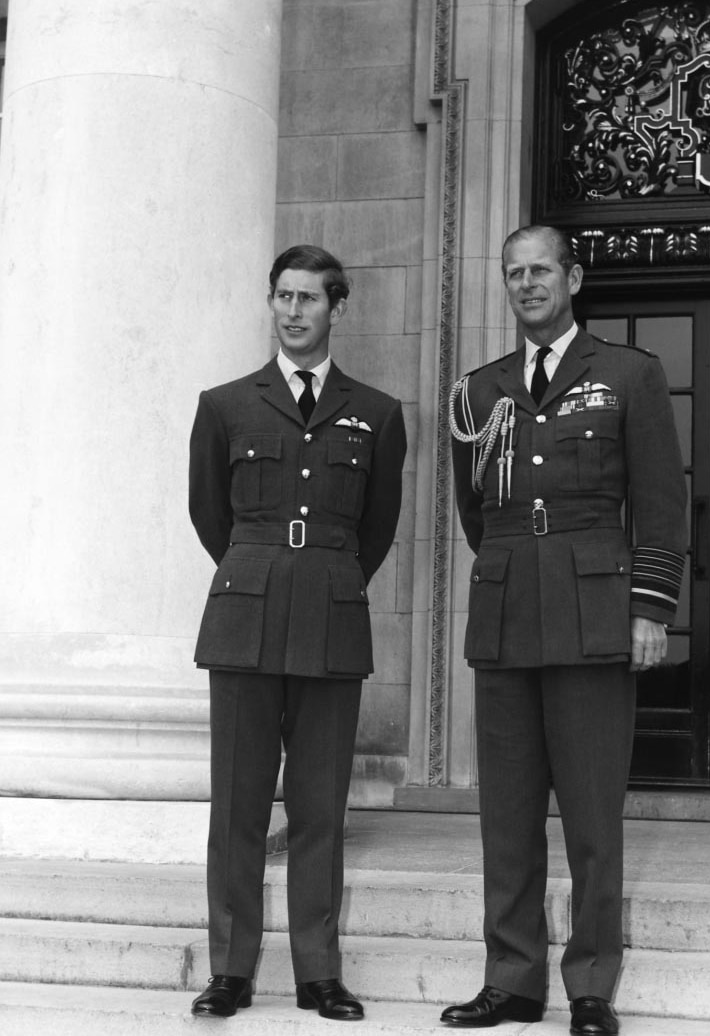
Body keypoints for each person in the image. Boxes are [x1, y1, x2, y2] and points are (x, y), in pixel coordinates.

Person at [443, 225, 687, 1034]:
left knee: (590, 813)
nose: (526, 284)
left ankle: (588, 984)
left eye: (539, 270)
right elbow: (476, 512)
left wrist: (648, 607)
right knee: (505, 816)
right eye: (512, 273)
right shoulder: (477, 392)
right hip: (508, 612)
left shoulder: (626, 375)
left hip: (593, 615)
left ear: (572, 277)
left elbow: (658, 501)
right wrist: (522, 569)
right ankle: (510, 979)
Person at [188, 244, 406, 1020]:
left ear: (336, 308)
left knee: (320, 807)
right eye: (282, 296)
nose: (293, 311)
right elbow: (211, 514)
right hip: (244, 620)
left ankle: (318, 970)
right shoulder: (225, 404)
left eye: (310, 298)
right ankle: (230, 970)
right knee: (238, 807)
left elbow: (375, 527)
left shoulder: (376, 413)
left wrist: (321, 576)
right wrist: (264, 572)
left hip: (330, 623)